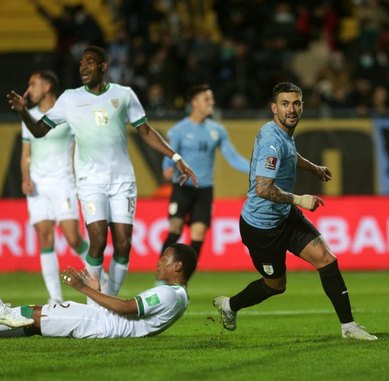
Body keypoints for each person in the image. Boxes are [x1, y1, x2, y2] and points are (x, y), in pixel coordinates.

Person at [7, 46, 198, 297]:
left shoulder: (124, 95)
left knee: (123, 244)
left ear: (103, 66)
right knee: (97, 239)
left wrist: (175, 156)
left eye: (89, 63)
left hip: (122, 181)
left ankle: (111, 299)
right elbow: (40, 130)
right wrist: (22, 110)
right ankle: (96, 300)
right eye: (81, 64)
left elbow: (147, 132)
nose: (83, 67)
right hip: (90, 181)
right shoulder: (69, 99)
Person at [212, 82, 377, 341]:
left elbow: (290, 155)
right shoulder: (271, 141)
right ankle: (230, 306)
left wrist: (314, 168)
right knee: (275, 286)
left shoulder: (280, 133)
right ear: (274, 108)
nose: (292, 109)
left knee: (326, 258)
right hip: (262, 228)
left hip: (284, 216)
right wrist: (300, 200)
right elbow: (263, 189)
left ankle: (348, 326)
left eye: (296, 103)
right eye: (285, 104)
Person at [0, 243, 197, 338]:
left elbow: (125, 308)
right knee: (34, 320)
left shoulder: (167, 294)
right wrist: (98, 293)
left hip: (99, 324)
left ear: (177, 266)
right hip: (104, 324)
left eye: (164, 258)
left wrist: (82, 287)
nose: (159, 262)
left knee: (33, 315)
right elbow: (131, 315)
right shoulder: (181, 297)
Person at [20, 70, 90, 304]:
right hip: (38, 185)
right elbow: (26, 153)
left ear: (48, 86)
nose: (29, 89)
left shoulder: (67, 115)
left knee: (72, 238)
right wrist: (25, 177)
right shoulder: (28, 116)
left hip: (63, 183)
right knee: (45, 238)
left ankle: (101, 274)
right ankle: (55, 298)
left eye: (33, 84)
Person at [161, 84, 250, 258]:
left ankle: (183, 278)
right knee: (175, 229)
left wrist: (255, 169)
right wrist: (167, 168)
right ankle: (161, 273)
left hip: (205, 190)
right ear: (194, 103)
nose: (212, 102)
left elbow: (232, 157)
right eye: (207, 99)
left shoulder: (217, 130)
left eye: (212, 98)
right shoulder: (179, 130)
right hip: (183, 188)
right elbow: (169, 155)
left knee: (198, 235)